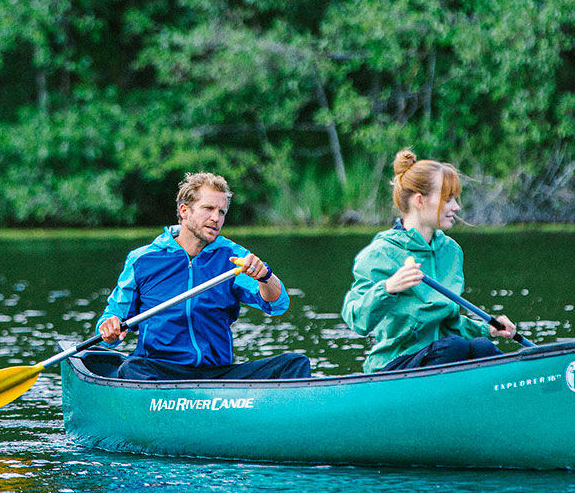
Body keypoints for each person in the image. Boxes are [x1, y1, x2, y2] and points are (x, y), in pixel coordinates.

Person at [97, 172, 310, 380]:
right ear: (184, 211)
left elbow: (277, 304)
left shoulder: (233, 257)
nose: (216, 218)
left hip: (216, 375)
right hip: (158, 371)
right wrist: (109, 327)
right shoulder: (142, 260)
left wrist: (265, 277)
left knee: (294, 363)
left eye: (222, 212)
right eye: (208, 208)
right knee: (131, 369)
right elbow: (111, 321)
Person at [341, 149, 517, 373]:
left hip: (445, 351)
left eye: (455, 199)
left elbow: (446, 325)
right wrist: (388, 287)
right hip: (396, 363)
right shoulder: (380, 253)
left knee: (482, 347)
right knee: (455, 347)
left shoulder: (451, 251)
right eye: (448, 199)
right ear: (419, 201)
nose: (456, 207)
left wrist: (489, 329)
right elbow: (356, 320)